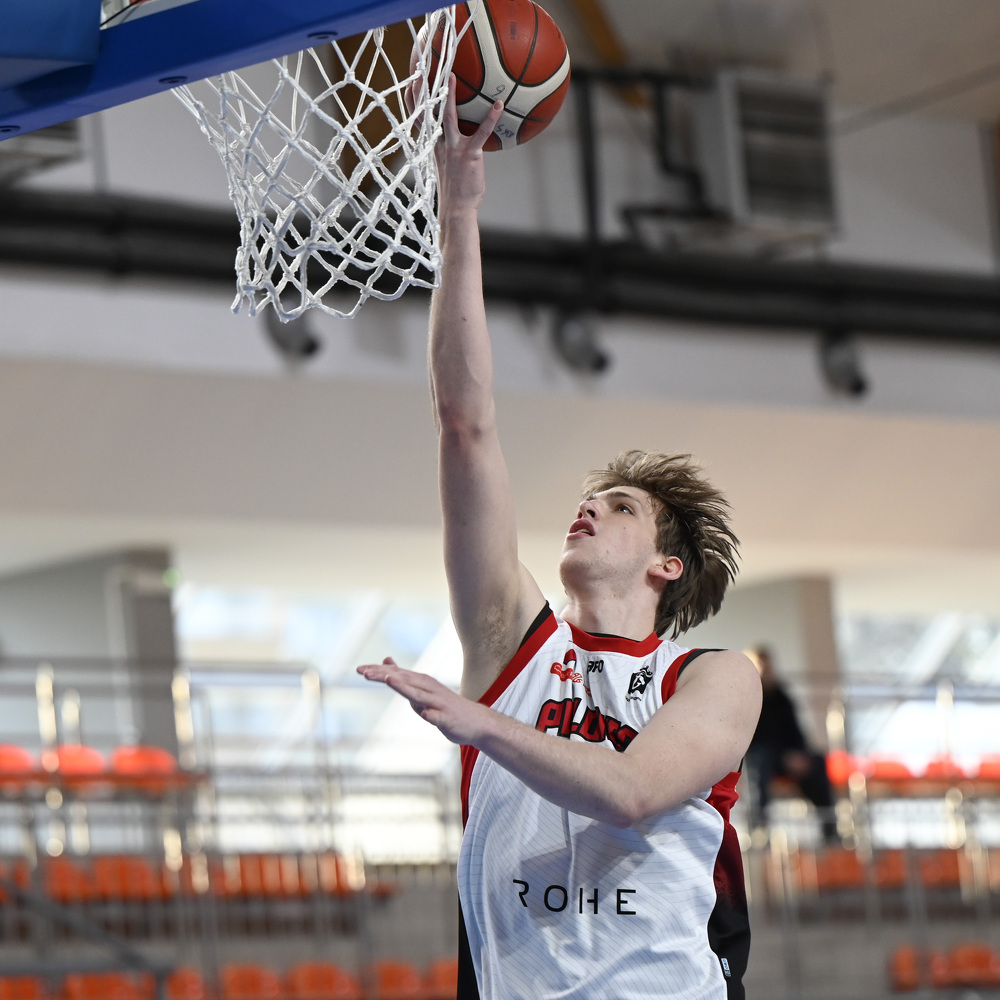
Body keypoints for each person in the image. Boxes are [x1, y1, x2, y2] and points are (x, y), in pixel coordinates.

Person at [356, 79, 762, 1000]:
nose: (588, 509)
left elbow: (631, 792)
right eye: (586, 499)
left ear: (667, 564)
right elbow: (466, 425)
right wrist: (459, 212)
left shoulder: (711, 679)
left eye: (619, 506)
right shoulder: (515, 645)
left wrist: (478, 723)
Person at [746, 646, 837, 843]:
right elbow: (752, 738)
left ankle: (830, 827)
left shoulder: (782, 696)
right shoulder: (747, 698)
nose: (765, 669)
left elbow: (795, 731)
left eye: (767, 664)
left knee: (817, 761)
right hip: (760, 756)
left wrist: (799, 754)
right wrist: (785, 755)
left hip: (786, 755)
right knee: (762, 760)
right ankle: (760, 827)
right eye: (760, 665)